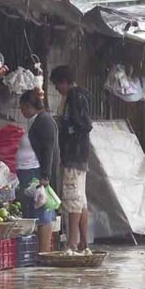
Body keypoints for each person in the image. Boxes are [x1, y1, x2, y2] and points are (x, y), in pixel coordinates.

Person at [50, 65, 93, 254]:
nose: (57, 89)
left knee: (72, 197)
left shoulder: (75, 97)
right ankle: (83, 242)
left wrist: (66, 129)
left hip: (74, 154)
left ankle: (72, 243)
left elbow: (84, 124)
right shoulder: (77, 96)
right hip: (79, 154)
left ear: (64, 82)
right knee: (80, 200)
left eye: (57, 85)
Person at [17, 90, 59, 254]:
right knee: (34, 211)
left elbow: (49, 150)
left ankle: (43, 253)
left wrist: (45, 177)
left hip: (37, 173)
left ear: (29, 106)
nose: (22, 112)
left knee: (42, 212)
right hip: (29, 173)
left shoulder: (44, 121)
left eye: (22, 108)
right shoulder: (37, 120)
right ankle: (38, 252)